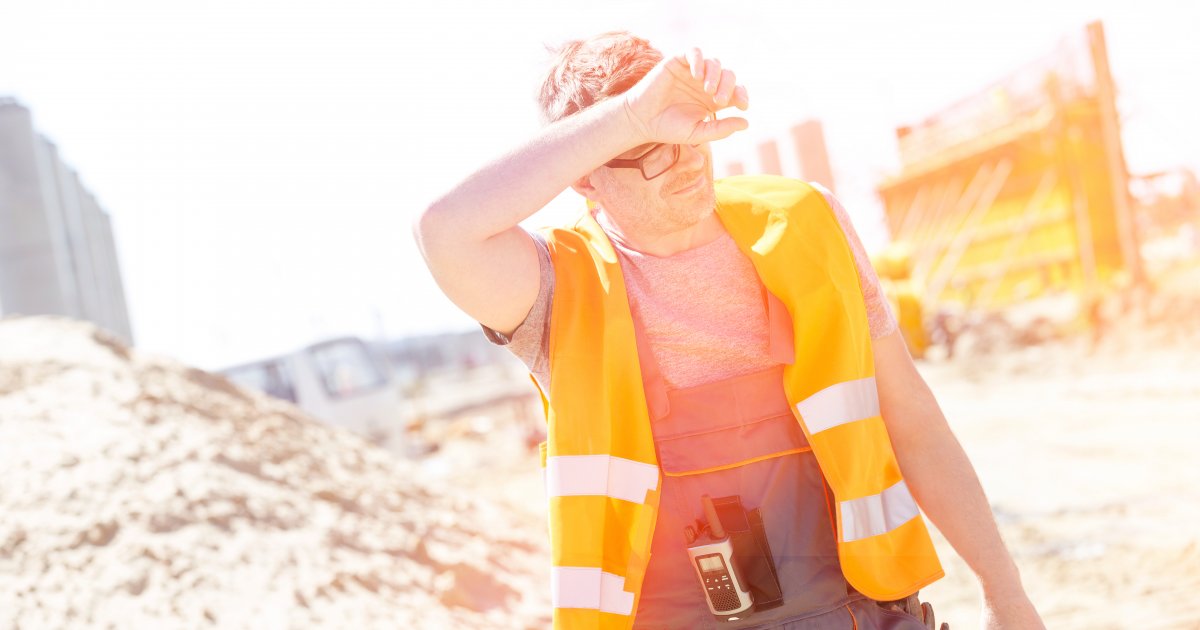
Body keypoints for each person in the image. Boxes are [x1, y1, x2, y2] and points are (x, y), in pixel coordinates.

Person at [413, 31, 1044, 630]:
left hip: (859, 613)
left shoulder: (806, 223)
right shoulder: (557, 284)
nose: (683, 156)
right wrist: (631, 115)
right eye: (647, 143)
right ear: (585, 174)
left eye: (685, 123)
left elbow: (912, 417)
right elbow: (444, 231)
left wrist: (1004, 591)